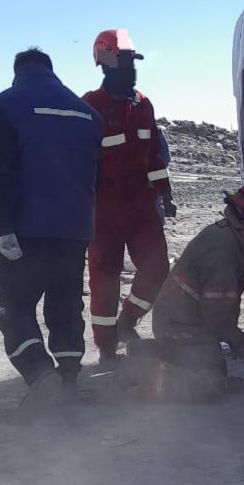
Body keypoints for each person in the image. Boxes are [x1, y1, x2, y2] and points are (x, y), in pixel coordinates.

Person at [0, 47, 102, 408]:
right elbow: (95, 174)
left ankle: (40, 374)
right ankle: (68, 377)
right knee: (65, 306)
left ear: (18, 71)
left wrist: (3, 227)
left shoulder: (6, 104)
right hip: (75, 230)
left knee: (13, 307)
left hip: (27, 229)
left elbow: (1, 171)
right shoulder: (88, 113)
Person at [118, 181, 244, 402]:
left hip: (180, 320)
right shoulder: (223, 253)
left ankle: (147, 353)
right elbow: (217, 315)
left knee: (214, 365)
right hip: (180, 326)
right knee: (210, 383)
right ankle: (140, 374)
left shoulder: (225, 236)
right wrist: (236, 340)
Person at [81, 29, 171, 362]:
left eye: (132, 62)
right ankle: (106, 346)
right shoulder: (91, 106)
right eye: (123, 62)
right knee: (105, 278)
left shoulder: (144, 104)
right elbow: (79, 161)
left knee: (158, 268)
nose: (130, 69)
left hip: (141, 208)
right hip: (103, 212)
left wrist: (165, 193)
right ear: (105, 65)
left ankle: (127, 322)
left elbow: (154, 157)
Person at [154, 128, 178, 224]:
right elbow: (166, 157)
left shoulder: (129, 128)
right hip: (157, 173)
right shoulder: (157, 131)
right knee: (158, 202)